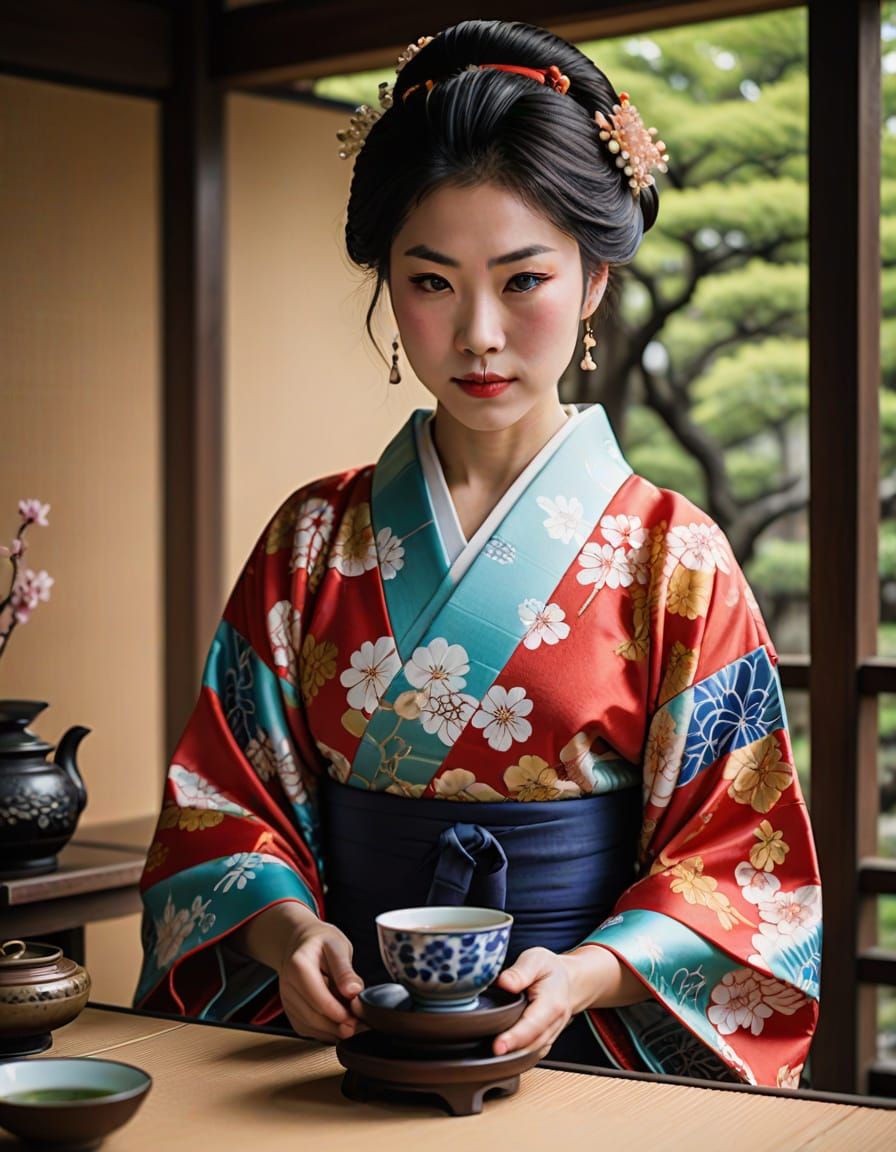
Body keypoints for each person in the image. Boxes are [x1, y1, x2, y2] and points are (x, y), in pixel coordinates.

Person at [135, 19, 820, 1088]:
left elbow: (737, 856)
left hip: (585, 1044)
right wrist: (285, 939)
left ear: (592, 281)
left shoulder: (667, 556)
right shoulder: (312, 540)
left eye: (522, 280)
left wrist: (588, 973)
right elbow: (220, 808)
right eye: (431, 280)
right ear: (388, 286)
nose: (477, 334)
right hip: (346, 1038)